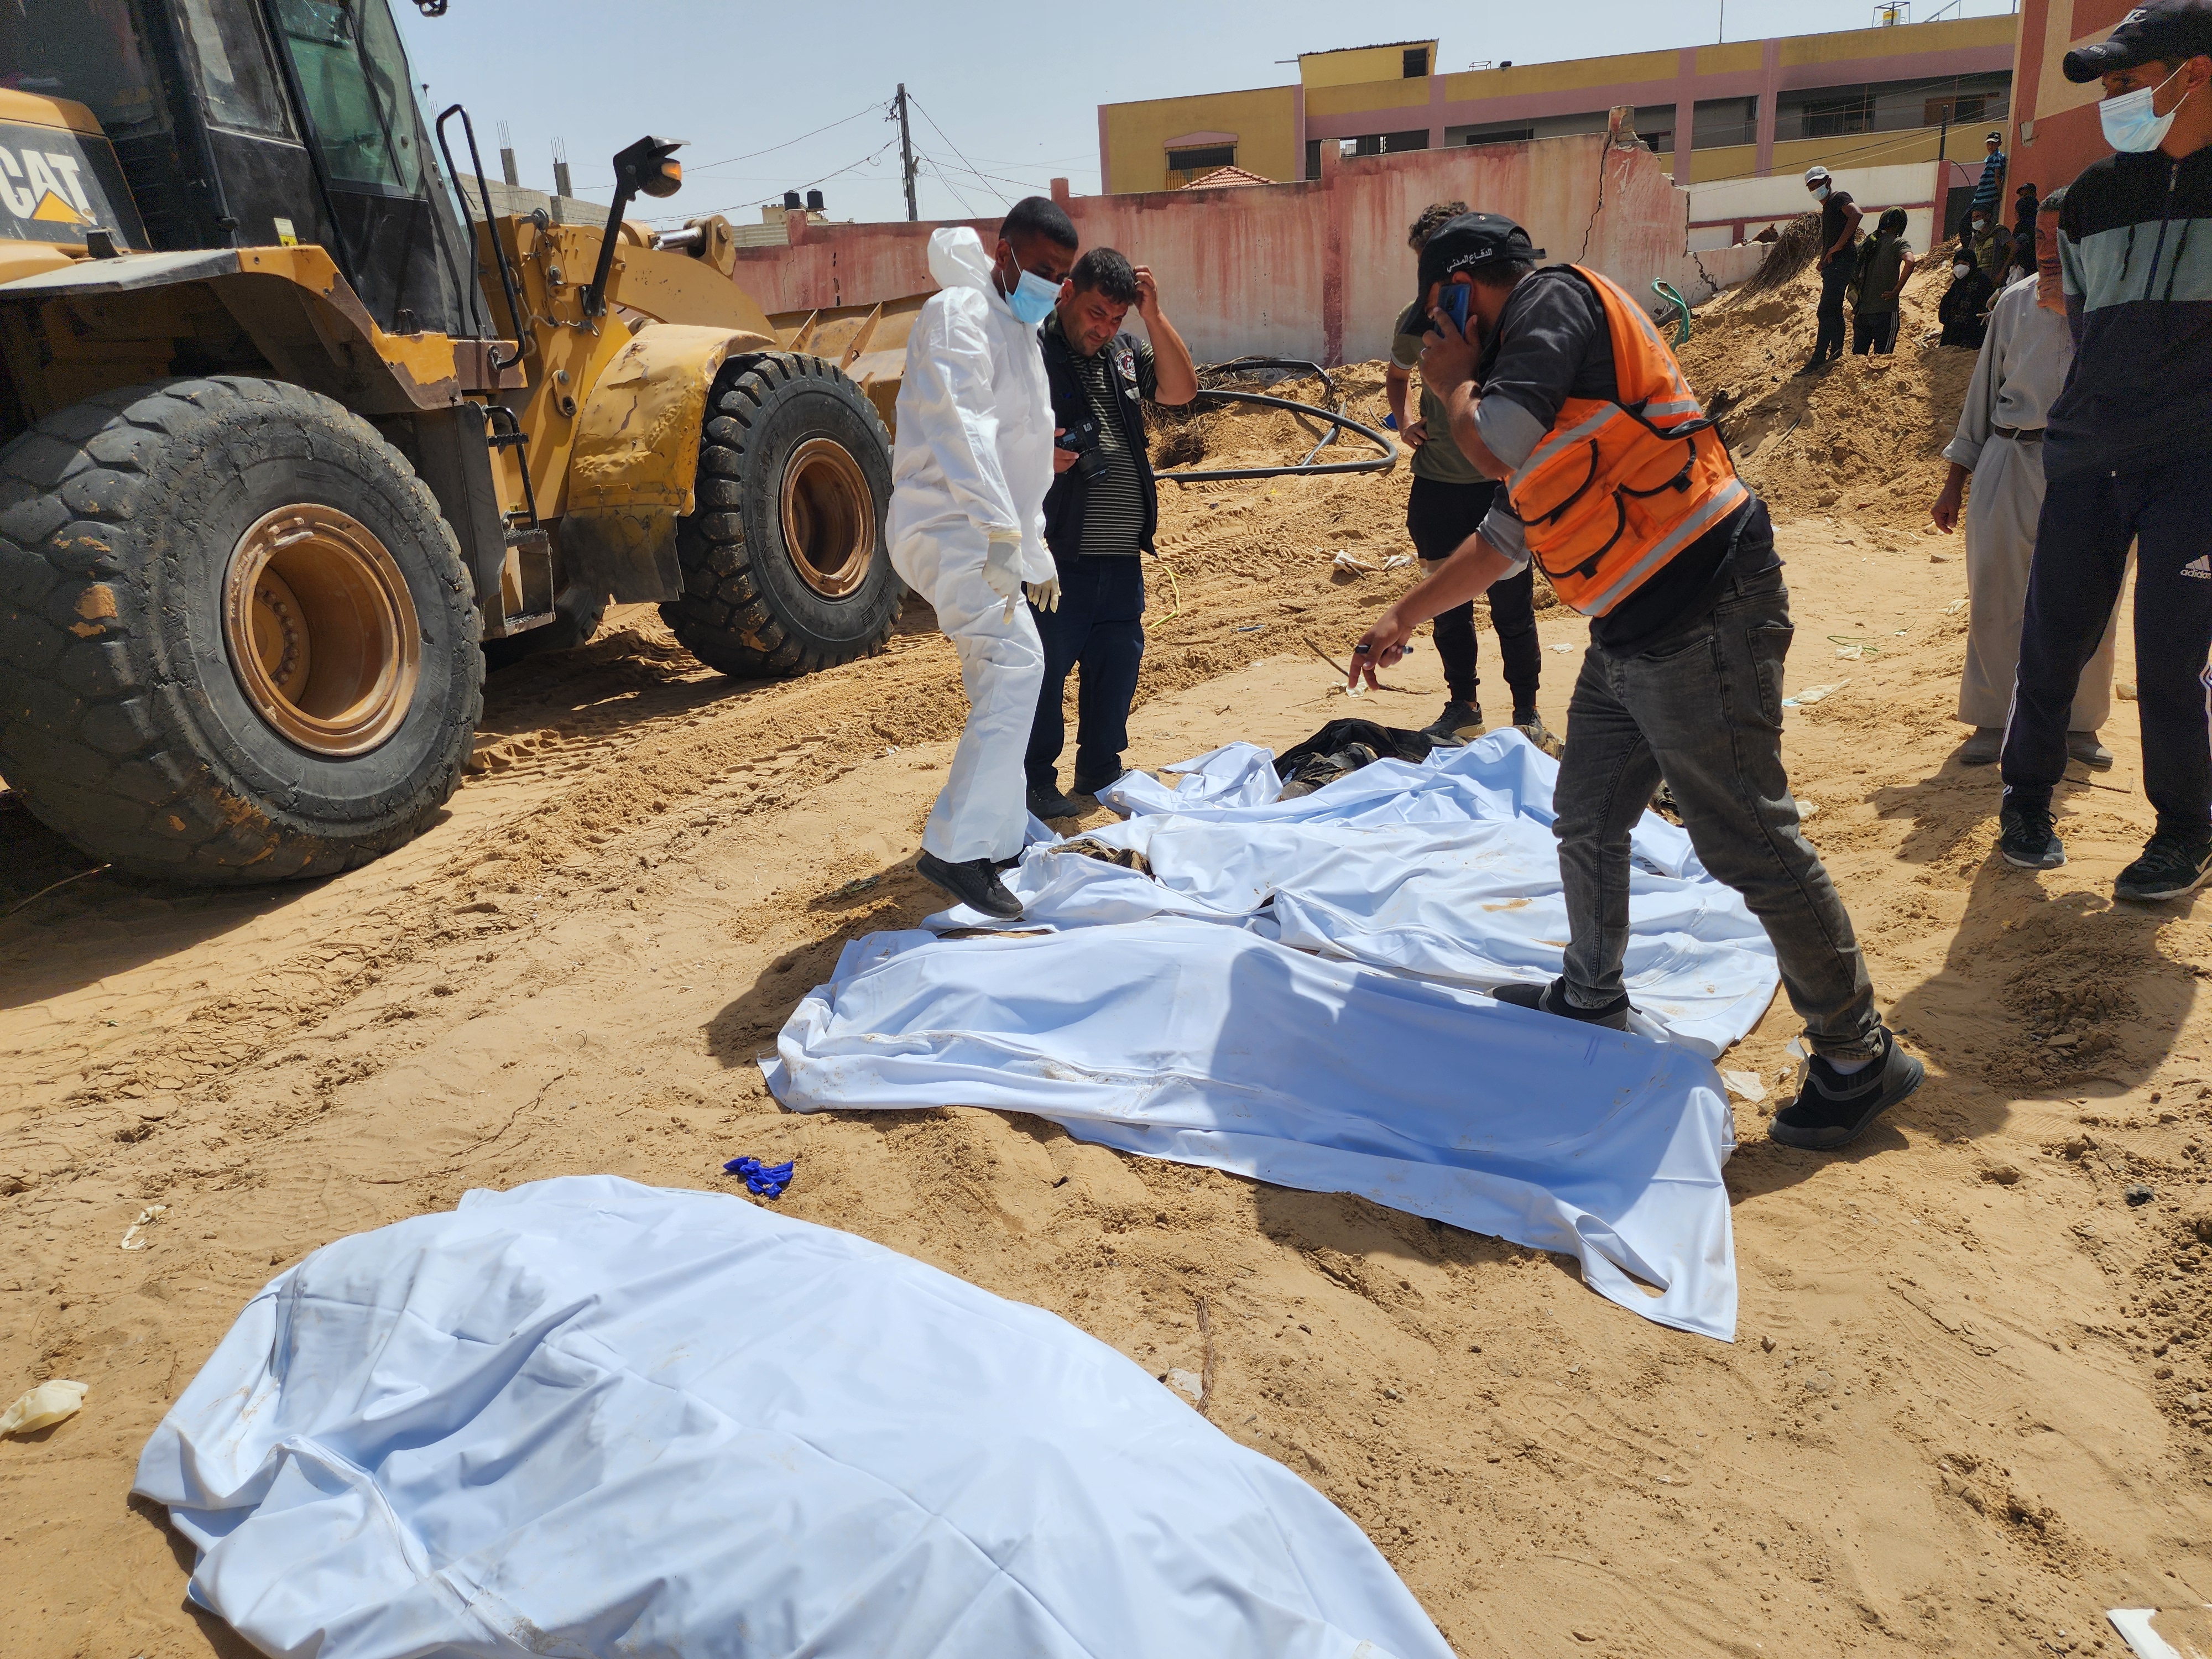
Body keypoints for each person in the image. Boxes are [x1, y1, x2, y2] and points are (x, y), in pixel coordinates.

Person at [1348, 212, 1921, 1152]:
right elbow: (1506, 534)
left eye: (1442, 315)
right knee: (1586, 813)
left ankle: (1859, 1055)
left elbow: (1491, 445)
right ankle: (1591, 993)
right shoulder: (1537, 379)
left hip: (1704, 610)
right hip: (1631, 630)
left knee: (1747, 838)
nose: (1438, 339)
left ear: (1464, 290)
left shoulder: (1549, 304)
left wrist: (1448, 385)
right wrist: (1405, 614)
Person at [1998, 0, 2212, 901]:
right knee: (2052, 643)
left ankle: (2182, 832)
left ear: (2192, 75)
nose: (2114, 106)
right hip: (2089, 458)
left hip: (2195, 468)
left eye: (2127, 85)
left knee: (2172, 660)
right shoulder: (2092, 196)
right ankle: (2026, 800)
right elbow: (2081, 319)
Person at [888, 197, 1077, 919]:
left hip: (983, 528)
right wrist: (1003, 535)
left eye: (1061, 276)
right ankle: (957, 852)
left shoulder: (1019, 332)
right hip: (945, 523)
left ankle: (993, 840)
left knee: (1001, 672)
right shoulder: (958, 314)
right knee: (1018, 663)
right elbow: (961, 430)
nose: (1052, 286)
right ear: (1005, 257)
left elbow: (1020, 456)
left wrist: (1034, 551)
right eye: (1042, 270)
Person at [1931, 189, 2118, 770]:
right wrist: (1954, 481)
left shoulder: (2117, 303)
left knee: (2092, 601)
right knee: (1996, 593)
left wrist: (2077, 312)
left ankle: (2078, 725)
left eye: (2057, 237)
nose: (2044, 250)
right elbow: (1982, 396)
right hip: (2009, 460)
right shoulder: (2012, 303)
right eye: (2036, 237)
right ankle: (1992, 717)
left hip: (2090, 467)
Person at [1024, 247, 1198, 818]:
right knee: (1043, 676)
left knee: (1116, 665)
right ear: (1068, 293)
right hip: (1056, 557)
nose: (1103, 329)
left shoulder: (1123, 351)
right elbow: (979, 430)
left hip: (1121, 557)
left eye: (1115, 319)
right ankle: (1032, 783)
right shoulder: (1030, 349)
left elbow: (1179, 391)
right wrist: (1032, 453)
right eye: (1096, 313)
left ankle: (1100, 768)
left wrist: (1152, 316)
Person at [1387, 200, 1547, 744]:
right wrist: (1406, 419)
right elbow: (1395, 372)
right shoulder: (1416, 321)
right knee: (1447, 607)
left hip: (1496, 484)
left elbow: (1501, 444)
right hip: (1437, 485)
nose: (1430, 293)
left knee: (1512, 607)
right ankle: (1464, 707)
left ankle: (1526, 714)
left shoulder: (1513, 326)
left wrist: (1460, 376)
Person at [1798, 165, 1862, 373]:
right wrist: (1825, 257)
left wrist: (1839, 246)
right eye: (1812, 186)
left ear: (1828, 182)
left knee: (1825, 310)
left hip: (1842, 262)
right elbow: (1832, 237)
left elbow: (1856, 214)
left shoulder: (1839, 198)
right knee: (1833, 310)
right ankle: (1835, 353)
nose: (1816, 189)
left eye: (1818, 184)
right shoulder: (1828, 208)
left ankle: (1819, 358)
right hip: (1834, 264)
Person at [1850, 207, 1915, 354]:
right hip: (1885, 310)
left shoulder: (1867, 243)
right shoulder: (1898, 242)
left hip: (1862, 312)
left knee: (1857, 360)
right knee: (1882, 360)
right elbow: (1910, 262)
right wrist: (1896, 291)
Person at [1937, 244, 1996, 348]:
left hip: (1973, 337)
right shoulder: (1957, 284)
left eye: (1965, 264)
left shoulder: (1983, 282)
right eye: (1957, 264)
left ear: (1972, 265)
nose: (1960, 267)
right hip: (1952, 337)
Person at [1969, 129, 2008, 226]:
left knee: (1975, 222)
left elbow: (1997, 175)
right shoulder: (1991, 159)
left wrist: (1999, 192)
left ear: (1999, 144)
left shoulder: (1997, 158)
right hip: (1981, 198)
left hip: (1986, 199)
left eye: (1993, 144)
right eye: (1989, 143)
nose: (1990, 146)